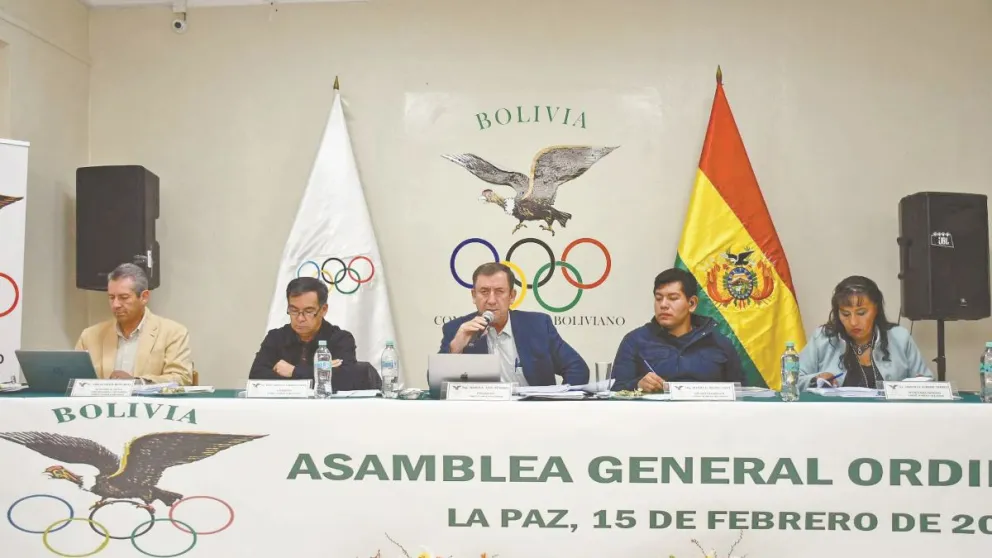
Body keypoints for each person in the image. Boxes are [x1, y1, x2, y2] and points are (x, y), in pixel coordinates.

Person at [438, 262, 589, 386]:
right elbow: (437, 386)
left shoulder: (538, 326)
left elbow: (578, 369)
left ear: (512, 296)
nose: (491, 300)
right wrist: (455, 348)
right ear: (473, 296)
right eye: (484, 291)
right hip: (481, 416)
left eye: (499, 291)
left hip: (532, 416)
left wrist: (557, 405)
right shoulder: (457, 329)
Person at [611, 268, 745, 392]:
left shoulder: (720, 343)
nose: (663, 305)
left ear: (692, 304)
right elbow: (615, 391)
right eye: (658, 298)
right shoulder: (635, 341)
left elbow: (742, 393)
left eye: (672, 298)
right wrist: (637, 385)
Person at [797, 275, 933, 389]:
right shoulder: (823, 338)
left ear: (876, 309)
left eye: (861, 313)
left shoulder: (900, 337)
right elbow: (793, 381)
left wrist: (920, 385)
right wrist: (816, 379)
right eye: (845, 314)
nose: (853, 322)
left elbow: (927, 382)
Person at [75, 263, 192, 385]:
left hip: (148, 404)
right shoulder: (90, 336)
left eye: (124, 297)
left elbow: (181, 378)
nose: (116, 305)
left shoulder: (173, 333)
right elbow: (73, 380)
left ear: (144, 297)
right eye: (111, 297)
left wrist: (137, 382)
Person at [249, 277, 368, 387]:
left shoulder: (340, 339)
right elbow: (256, 378)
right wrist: (320, 371)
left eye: (308, 311)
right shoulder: (276, 338)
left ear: (323, 310)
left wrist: (293, 372)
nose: (300, 318)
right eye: (294, 310)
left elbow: (347, 379)